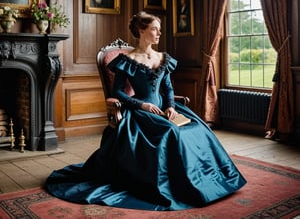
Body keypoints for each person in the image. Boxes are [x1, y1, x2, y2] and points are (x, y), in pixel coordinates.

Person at [45, 11, 246, 211]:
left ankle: (206, 181)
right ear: (142, 31)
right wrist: (142, 105)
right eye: (154, 29)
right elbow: (118, 93)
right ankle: (178, 186)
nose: (159, 33)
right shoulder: (127, 60)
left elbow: (168, 89)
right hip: (140, 112)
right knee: (170, 132)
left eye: (159, 29)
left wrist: (170, 107)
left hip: (163, 108)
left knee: (198, 128)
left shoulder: (162, 57)